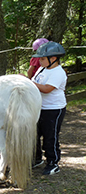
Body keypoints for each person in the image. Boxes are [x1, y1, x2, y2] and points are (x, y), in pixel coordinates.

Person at [30, 41, 67, 175]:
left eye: (43, 58)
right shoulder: (43, 69)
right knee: (35, 134)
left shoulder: (58, 72)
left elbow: (47, 89)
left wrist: (29, 83)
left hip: (53, 109)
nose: (39, 61)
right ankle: (37, 158)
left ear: (53, 59)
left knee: (50, 136)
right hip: (39, 107)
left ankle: (53, 162)